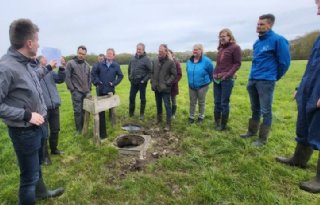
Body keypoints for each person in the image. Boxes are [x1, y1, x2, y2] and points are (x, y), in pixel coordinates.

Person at [0, 18, 64, 205]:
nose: (38, 44)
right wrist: (27, 115)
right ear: (29, 43)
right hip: (24, 131)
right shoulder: (6, 67)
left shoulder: (26, 63)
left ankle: (42, 192)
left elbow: (33, 78)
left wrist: (49, 67)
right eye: (37, 40)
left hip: (39, 126)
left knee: (38, 167)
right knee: (28, 179)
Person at [276, 0, 320, 193]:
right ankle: (299, 159)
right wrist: (300, 86)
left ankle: (319, 179)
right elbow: (312, 65)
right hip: (309, 88)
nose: (317, 10)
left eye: (319, 4)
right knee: (304, 124)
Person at [240, 14, 291, 146]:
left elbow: (284, 62)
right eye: (257, 24)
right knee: (254, 107)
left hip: (266, 80)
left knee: (266, 110)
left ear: (269, 25)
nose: (258, 26)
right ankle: (252, 131)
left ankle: (262, 139)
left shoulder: (278, 40)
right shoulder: (257, 42)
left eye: (261, 24)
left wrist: (273, 77)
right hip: (253, 79)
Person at [37, 56, 66, 160]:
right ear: (39, 60)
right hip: (42, 108)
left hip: (54, 105)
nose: (47, 60)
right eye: (44, 58)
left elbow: (60, 79)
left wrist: (62, 68)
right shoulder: (35, 73)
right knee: (44, 132)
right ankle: (45, 156)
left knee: (55, 129)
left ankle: (54, 149)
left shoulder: (50, 71)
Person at [213, 28, 242, 131]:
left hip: (227, 79)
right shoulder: (220, 49)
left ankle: (223, 125)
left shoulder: (235, 48)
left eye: (223, 36)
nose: (221, 38)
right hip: (217, 79)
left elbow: (237, 64)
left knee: (224, 102)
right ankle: (217, 121)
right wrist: (214, 73)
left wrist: (228, 75)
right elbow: (218, 64)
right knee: (217, 101)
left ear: (230, 37)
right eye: (220, 37)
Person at [91, 48, 123, 139]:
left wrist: (114, 83)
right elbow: (93, 74)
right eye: (107, 53)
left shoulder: (116, 66)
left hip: (110, 91)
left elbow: (121, 76)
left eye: (110, 54)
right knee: (101, 112)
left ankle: (113, 127)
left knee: (111, 109)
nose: (109, 55)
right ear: (106, 55)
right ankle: (102, 134)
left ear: (113, 56)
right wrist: (97, 82)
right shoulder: (100, 64)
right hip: (100, 90)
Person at [65, 45, 91, 135]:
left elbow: (89, 79)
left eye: (83, 54)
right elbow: (67, 77)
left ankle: (85, 127)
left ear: (85, 55)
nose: (81, 55)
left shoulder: (87, 65)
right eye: (80, 53)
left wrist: (89, 90)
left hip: (86, 92)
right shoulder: (70, 63)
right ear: (77, 52)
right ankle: (78, 130)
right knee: (78, 111)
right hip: (77, 92)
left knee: (86, 110)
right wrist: (72, 89)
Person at [150, 44, 177, 131]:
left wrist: (167, 83)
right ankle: (159, 119)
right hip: (156, 88)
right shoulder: (154, 61)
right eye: (159, 51)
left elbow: (174, 75)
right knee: (158, 105)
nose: (160, 52)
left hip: (165, 88)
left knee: (167, 105)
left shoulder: (170, 62)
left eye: (161, 51)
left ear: (166, 51)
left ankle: (168, 124)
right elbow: (152, 72)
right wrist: (152, 82)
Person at [186, 44, 214, 124]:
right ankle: (191, 117)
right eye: (194, 49)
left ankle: (201, 117)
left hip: (203, 86)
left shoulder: (207, 61)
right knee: (192, 102)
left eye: (197, 49)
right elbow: (187, 71)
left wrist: (207, 82)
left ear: (201, 51)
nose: (194, 51)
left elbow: (211, 73)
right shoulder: (189, 61)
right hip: (191, 86)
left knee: (201, 102)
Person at [128, 43, 152, 120]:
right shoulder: (133, 59)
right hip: (133, 81)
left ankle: (141, 114)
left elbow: (150, 71)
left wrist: (144, 80)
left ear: (143, 50)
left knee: (142, 98)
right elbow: (129, 69)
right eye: (137, 49)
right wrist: (130, 77)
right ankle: (131, 113)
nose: (138, 50)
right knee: (131, 97)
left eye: (140, 49)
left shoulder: (147, 59)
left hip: (142, 82)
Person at [168, 49, 182, 119]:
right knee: (167, 100)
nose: (168, 55)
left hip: (173, 85)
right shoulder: (165, 62)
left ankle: (173, 114)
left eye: (169, 54)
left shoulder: (176, 63)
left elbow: (179, 74)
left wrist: (173, 82)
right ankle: (169, 113)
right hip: (165, 86)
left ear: (172, 54)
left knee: (173, 100)